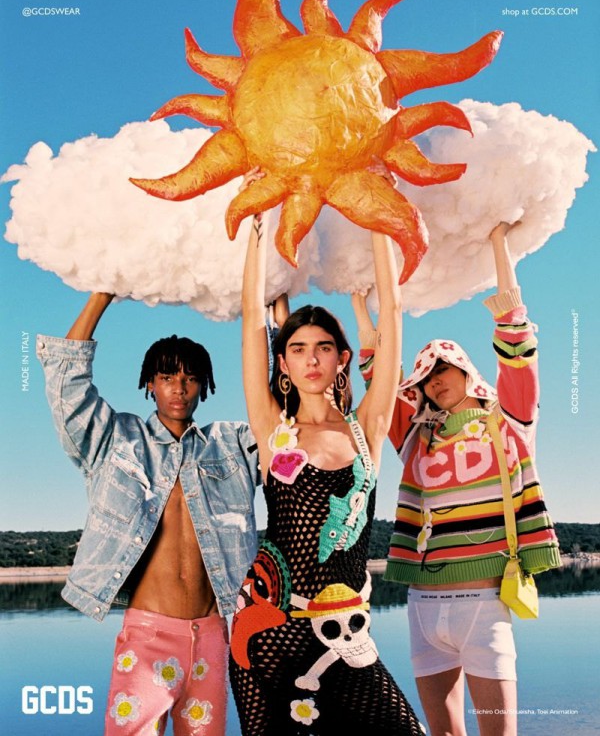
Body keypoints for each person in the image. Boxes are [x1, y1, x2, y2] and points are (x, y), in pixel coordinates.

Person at [228, 165, 425, 735]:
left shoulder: (368, 427)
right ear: (283, 363)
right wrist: (258, 224)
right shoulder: (273, 428)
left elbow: (392, 314)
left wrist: (380, 217)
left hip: (348, 636)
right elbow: (252, 318)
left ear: (342, 358)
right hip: (268, 634)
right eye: (297, 348)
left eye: (322, 347)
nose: (310, 358)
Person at [353, 221, 561, 736]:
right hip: (422, 606)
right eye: (425, 377)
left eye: (443, 368)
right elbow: (378, 380)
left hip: (484, 607)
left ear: (467, 369)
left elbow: (518, 343)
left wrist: (498, 243)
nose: (434, 381)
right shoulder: (416, 436)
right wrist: (361, 308)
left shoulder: (508, 421)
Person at [36, 292, 260, 735]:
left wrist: (273, 314)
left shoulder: (232, 443)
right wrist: (102, 295)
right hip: (147, 638)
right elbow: (67, 386)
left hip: (214, 637)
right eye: (167, 377)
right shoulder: (116, 439)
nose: (179, 388)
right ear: (149, 385)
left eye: (191, 378)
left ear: (205, 386)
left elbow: (284, 420)